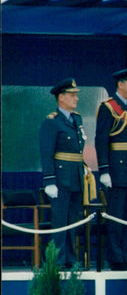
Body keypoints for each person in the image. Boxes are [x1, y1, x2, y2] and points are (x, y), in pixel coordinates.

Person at [95, 67, 127, 270]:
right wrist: (105, 170)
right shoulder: (109, 107)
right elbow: (101, 140)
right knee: (116, 216)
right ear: (120, 84)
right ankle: (116, 258)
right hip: (117, 170)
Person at [40, 78, 86, 267]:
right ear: (61, 97)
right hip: (60, 178)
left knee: (72, 220)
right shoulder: (52, 122)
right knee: (60, 220)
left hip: (75, 176)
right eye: (72, 94)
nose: (76, 98)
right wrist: (49, 180)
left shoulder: (77, 118)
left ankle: (71, 258)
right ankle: (58, 260)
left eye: (76, 94)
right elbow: (46, 152)